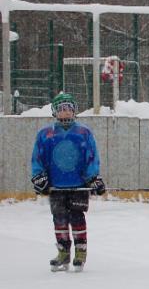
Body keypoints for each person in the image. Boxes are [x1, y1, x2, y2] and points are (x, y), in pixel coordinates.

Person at [30, 92, 106, 272]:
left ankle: (81, 252)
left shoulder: (83, 133)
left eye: (69, 109)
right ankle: (63, 252)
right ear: (55, 112)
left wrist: (93, 178)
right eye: (61, 109)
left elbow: (91, 157)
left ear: (74, 111)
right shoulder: (45, 134)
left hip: (78, 185)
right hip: (56, 187)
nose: (65, 112)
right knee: (59, 220)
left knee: (78, 218)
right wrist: (39, 176)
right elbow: (37, 158)